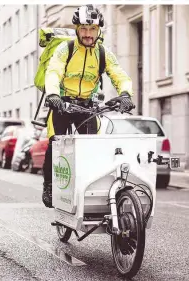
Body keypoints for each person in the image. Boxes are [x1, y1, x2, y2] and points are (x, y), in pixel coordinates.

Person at [42, 5, 135, 208]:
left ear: (98, 29)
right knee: (55, 144)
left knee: (92, 147)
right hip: (62, 104)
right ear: (77, 29)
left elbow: (119, 75)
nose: (87, 34)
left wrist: (126, 94)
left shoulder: (103, 53)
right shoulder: (65, 49)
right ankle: (49, 185)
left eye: (92, 29)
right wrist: (53, 95)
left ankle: (89, 186)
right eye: (83, 29)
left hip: (86, 106)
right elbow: (54, 72)